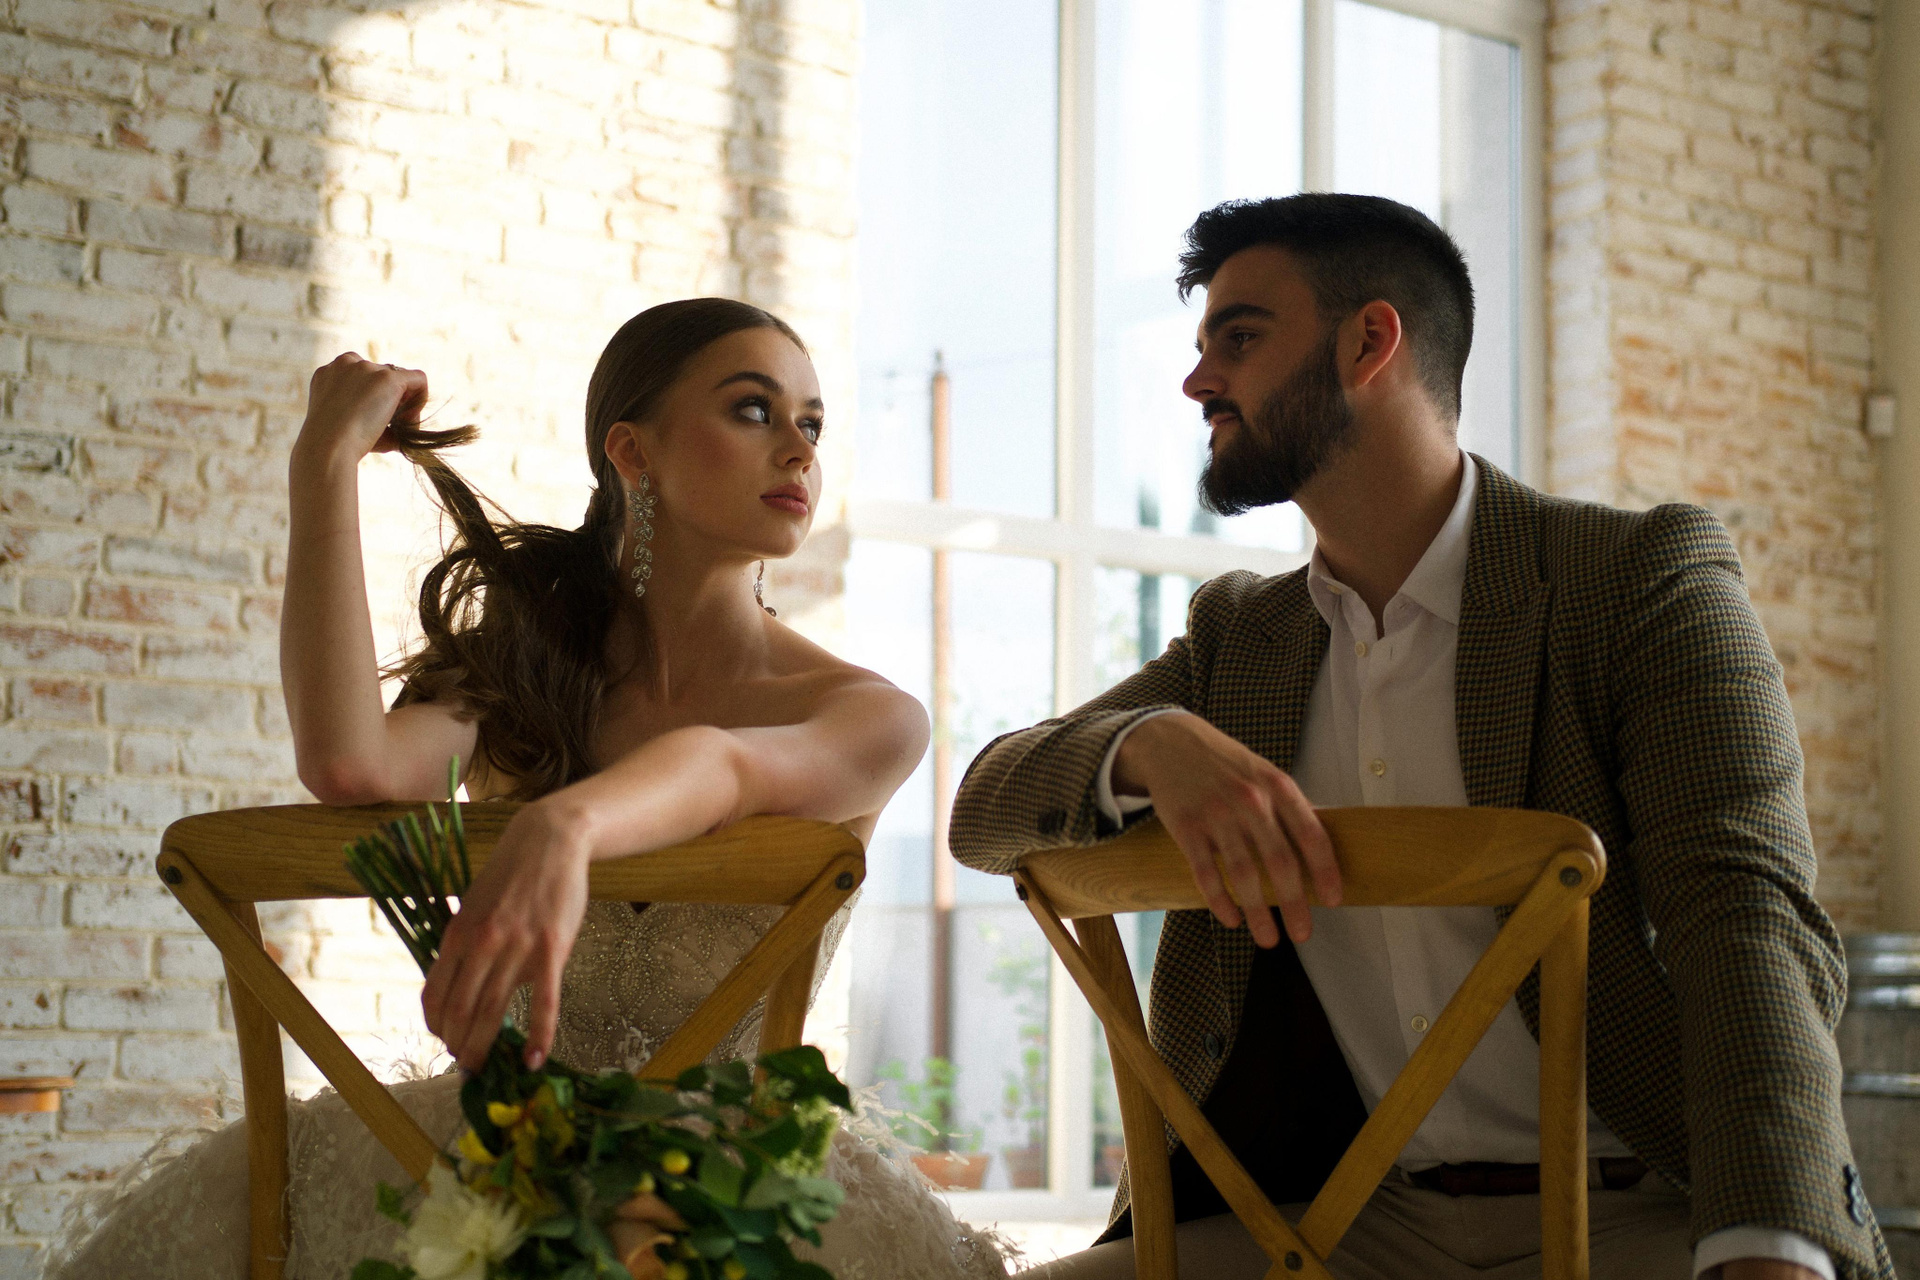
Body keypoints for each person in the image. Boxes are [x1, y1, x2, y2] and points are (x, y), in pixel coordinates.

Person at [949, 195, 1891, 1280]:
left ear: (1370, 343)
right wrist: (1150, 742)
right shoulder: (1239, 639)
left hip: (1649, 1211)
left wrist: (1769, 1243)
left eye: (1239, 338)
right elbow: (982, 810)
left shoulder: (1637, 580)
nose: (1197, 381)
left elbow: (1746, 916)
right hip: (1354, 1221)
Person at [45, 298, 1010, 1280]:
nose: (799, 451)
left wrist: (564, 825)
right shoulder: (520, 671)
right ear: (632, 451)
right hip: (480, 1167)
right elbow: (349, 766)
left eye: (812, 423)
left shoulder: (868, 714)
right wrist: (323, 461)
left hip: (725, 1203)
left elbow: (725, 765)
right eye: (754, 410)